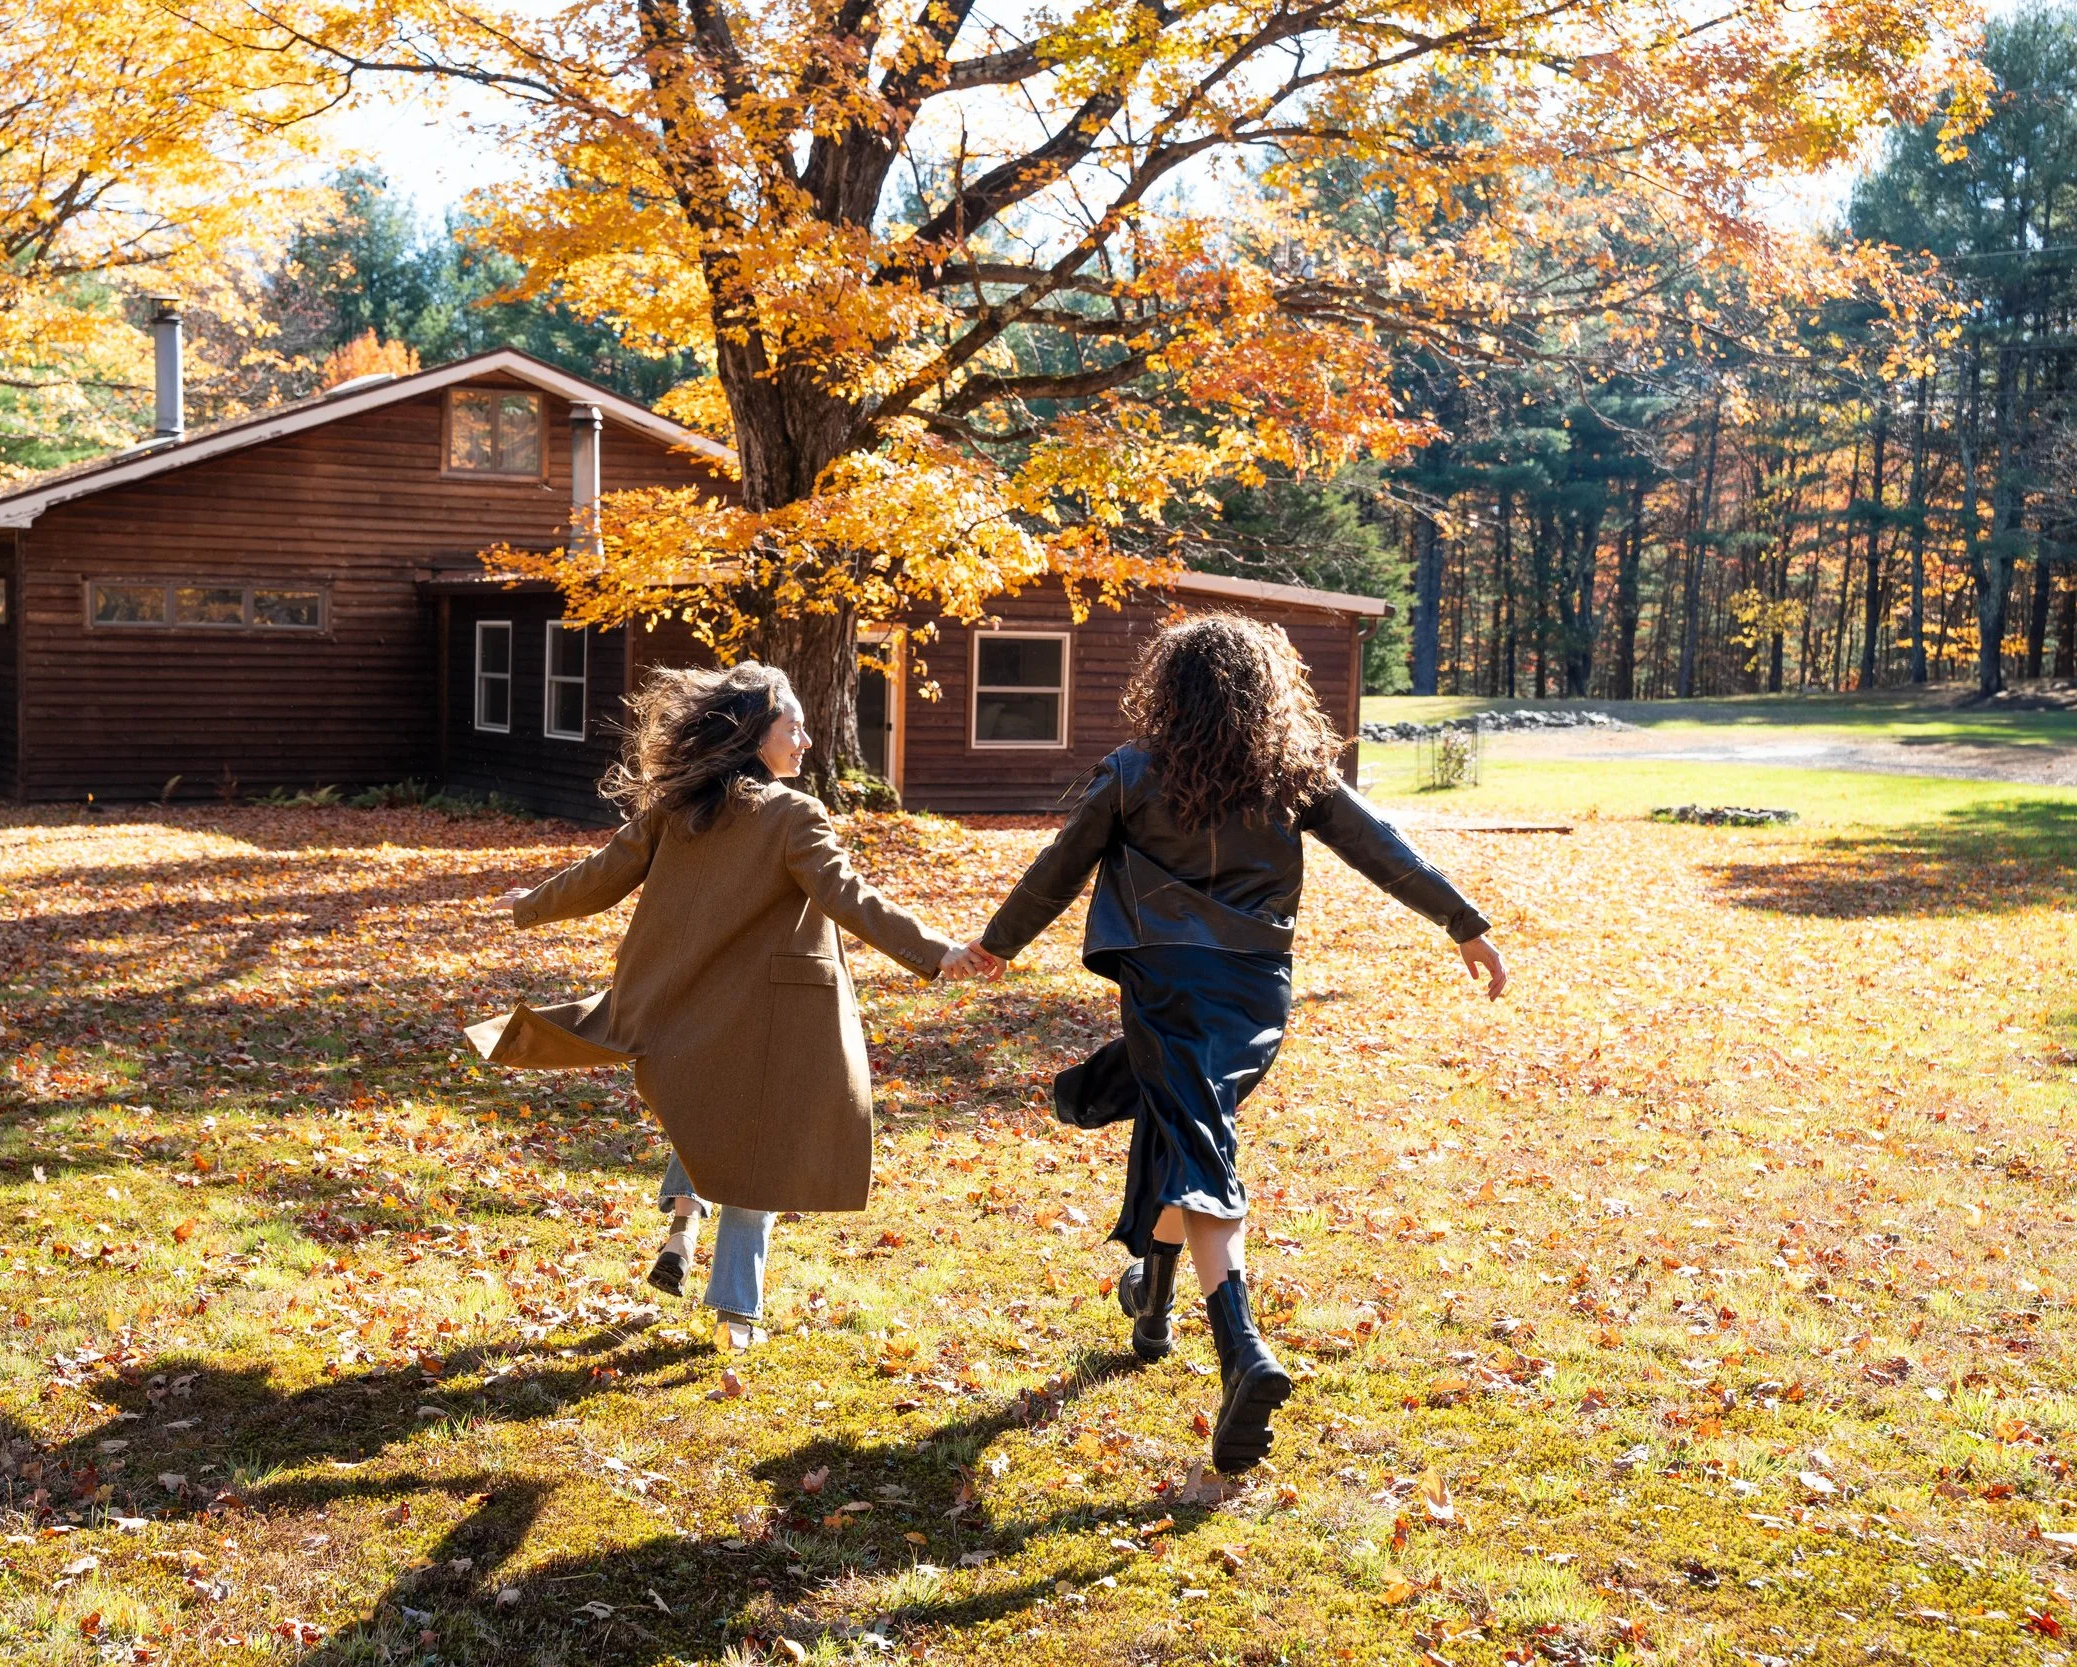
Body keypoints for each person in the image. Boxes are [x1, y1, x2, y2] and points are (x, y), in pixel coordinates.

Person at [964, 616, 1508, 1473]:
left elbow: (1057, 869)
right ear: (1268, 695)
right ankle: (1151, 1300)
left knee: (1197, 1144)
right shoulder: (1292, 777)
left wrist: (994, 945)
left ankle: (1242, 1350)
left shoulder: (1133, 772)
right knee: (1187, 1129)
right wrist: (1463, 923)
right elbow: (1384, 849)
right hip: (1255, 995)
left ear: (1167, 692)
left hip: (1168, 985)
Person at [468, 662, 984, 1347]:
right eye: (792, 727)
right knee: (759, 1150)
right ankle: (736, 1315)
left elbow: (604, 873)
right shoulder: (791, 814)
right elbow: (850, 897)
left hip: (689, 1007)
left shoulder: (680, 809)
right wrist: (938, 949)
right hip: (768, 1016)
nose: (805, 741)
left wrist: (531, 905)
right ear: (752, 733)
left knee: (708, 1110)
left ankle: (683, 1225)